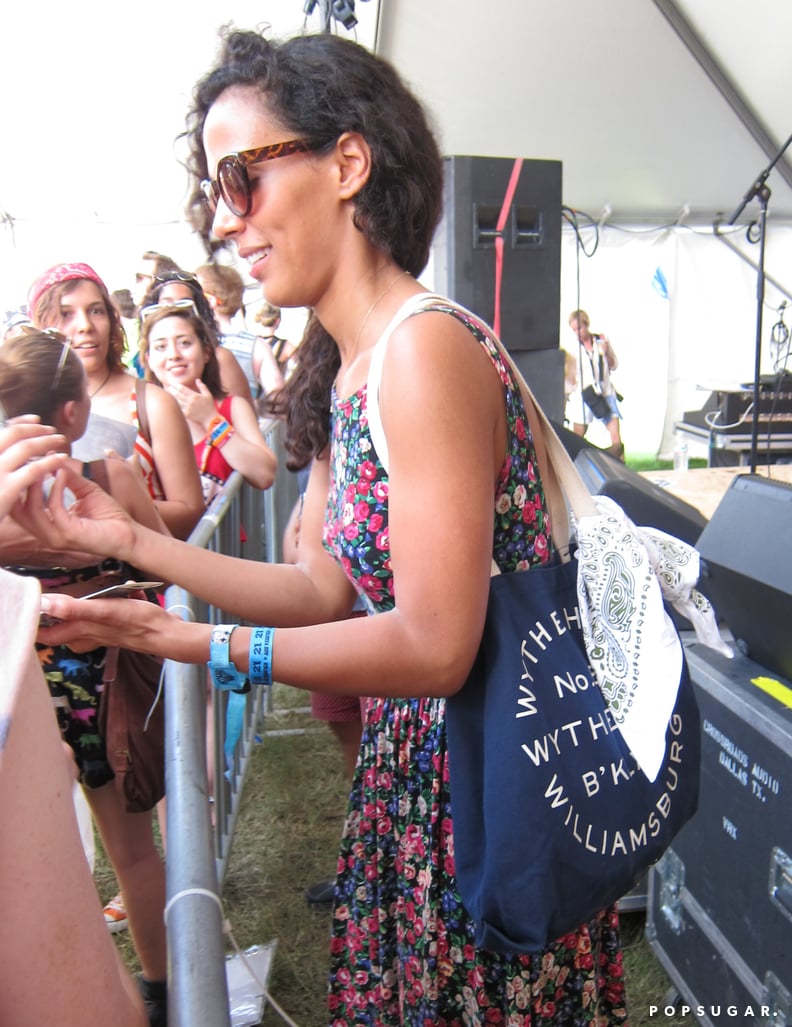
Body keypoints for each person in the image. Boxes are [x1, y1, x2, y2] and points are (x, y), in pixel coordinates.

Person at [28, 28, 628, 1026]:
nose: (227, 224)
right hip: (428, 781)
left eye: (242, 179)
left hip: (484, 788)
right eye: (216, 192)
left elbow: (436, 645)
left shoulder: (422, 353)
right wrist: (130, 545)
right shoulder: (355, 369)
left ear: (348, 162)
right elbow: (323, 590)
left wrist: (185, 639)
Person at [0, 332, 169, 1027]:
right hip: (102, 684)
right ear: (72, 412)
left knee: (40, 867)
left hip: (22, 690)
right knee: (132, 850)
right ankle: (161, 985)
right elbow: (164, 567)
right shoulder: (108, 474)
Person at [27, 262, 204, 540]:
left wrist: (120, 497)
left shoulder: (153, 404)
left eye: (95, 311)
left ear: (112, 320)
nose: (85, 326)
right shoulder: (25, 407)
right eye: (66, 314)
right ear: (41, 327)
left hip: (134, 577)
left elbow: (191, 515)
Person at [139, 301, 277, 505]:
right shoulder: (140, 415)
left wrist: (211, 420)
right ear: (148, 359)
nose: (174, 355)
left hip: (226, 537)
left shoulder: (233, 407)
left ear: (205, 352)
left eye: (185, 343)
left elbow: (264, 474)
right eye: (161, 347)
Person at [140, 269, 255, 405]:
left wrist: (210, 419)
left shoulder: (220, 358)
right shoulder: (154, 363)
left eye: (185, 305)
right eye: (166, 305)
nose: (175, 311)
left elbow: (244, 417)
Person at [194, 262, 285, 407]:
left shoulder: (193, 343)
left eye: (195, 294)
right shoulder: (255, 345)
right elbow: (277, 397)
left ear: (210, 301)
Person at [565, 308, 625, 459]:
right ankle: (576, 469)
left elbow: (614, 365)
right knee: (577, 436)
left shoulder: (601, 341)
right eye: (573, 330)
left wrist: (606, 352)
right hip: (585, 395)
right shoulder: (573, 348)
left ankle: (623, 470)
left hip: (605, 392)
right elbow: (570, 377)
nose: (577, 332)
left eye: (579, 328)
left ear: (586, 324)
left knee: (615, 436)